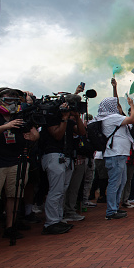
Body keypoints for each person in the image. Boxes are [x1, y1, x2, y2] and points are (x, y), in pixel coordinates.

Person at [0, 87, 35, 245]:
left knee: (14, 195)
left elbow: (34, 134)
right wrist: (5, 126)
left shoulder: (20, 116)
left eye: (15, 101)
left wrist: (31, 135)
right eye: (8, 100)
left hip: (16, 161)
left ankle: (10, 226)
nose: (12, 104)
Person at [40, 91, 86, 233]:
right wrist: (65, 118)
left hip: (67, 157)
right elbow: (58, 135)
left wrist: (77, 117)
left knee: (61, 191)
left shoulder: (70, 119)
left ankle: (58, 219)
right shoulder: (52, 116)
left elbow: (82, 132)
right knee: (55, 191)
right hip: (53, 155)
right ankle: (51, 223)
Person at [96, 96, 134, 220]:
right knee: (115, 183)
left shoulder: (113, 117)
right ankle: (111, 211)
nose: (119, 107)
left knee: (121, 182)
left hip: (120, 154)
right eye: (117, 105)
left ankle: (115, 207)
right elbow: (133, 119)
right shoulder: (111, 118)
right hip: (115, 154)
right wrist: (131, 105)